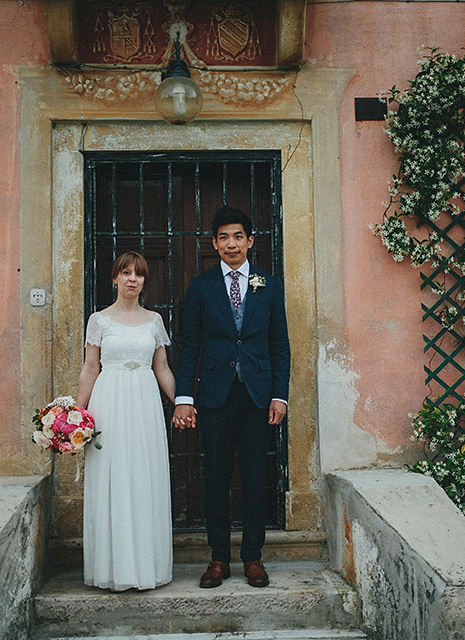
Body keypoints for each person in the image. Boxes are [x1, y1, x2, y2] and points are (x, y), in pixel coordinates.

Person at [173, 206, 291, 588]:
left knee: (257, 476)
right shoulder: (201, 287)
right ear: (214, 243)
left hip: (258, 395)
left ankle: (253, 558)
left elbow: (279, 345)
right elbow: (189, 345)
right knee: (217, 477)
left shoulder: (268, 285)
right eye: (223, 237)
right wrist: (184, 397)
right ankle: (219, 558)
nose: (231, 243)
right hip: (215, 396)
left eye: (238, 236)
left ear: (250, 241)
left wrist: (280, 395)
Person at [76, 251, 176, 591]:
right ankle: (114, 568)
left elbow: (161, 368)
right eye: (126, 272)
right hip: (110, 402)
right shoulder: (99, 320)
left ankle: (146, 566)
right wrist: (76, 414)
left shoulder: (154, 321)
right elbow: (91, 368)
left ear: (145, 281)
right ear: (115, 278)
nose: (133, 278)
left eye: (139, 274)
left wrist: (183, 404)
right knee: (113, 475)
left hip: (145, 404)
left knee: (143, 476)